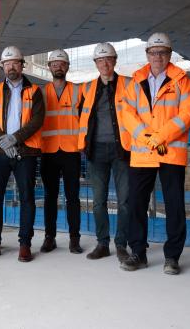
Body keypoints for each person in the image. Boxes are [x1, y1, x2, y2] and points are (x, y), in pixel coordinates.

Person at [120, 32, 190, 274]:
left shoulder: (182, 81)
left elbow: (187, 115)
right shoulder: (135, 81)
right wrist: (148, 138)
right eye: (153, 52)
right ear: (147, 55)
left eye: (162, 52)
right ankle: (138, 253)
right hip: (142, 153)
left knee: (174, 206)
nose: (158, 57)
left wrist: (159, 138)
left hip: (170, 153)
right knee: (136, 204)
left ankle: (172, 257)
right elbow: (127, 114)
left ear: (170, 54)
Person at [0, 45, 44, 262]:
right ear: (3, 67)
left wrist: (15, 138)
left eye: (15, 62)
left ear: (22, 64)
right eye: (7, 64)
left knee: (27, 198)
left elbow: (37, 120)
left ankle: (25, 244)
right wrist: (2, 140)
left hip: (25, 152)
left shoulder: (34, 91)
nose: (11, 67)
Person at [78, 43, 132, 262]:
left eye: (108, 59)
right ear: (96, 64)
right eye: (100, 60)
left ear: (115, 60)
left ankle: (121, 244)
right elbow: (81, 118)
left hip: (123, 150)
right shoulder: (88, 88)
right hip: (96, 151)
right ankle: (103, 243)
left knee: (125, 201)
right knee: (98, 201)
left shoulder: (129, 84)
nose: (105, 63)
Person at [39, 49, 83, 254]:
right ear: (49, 67)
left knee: (73, 197)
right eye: (54, 63)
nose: (58, 66)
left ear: (67, 67)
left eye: (62, 63)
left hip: (71, 150)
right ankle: (50, 237)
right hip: (48, 151)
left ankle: (75, 238)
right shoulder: (40, 92)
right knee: (50, 196)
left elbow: (86, 120)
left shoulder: (78, 91)